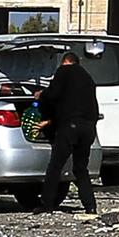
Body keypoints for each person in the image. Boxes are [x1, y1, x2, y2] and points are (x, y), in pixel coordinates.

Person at [41, 51, 105, 216]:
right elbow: (73, 102)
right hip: (89, 128)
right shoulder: (88, 78)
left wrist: (42, 96)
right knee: (80, 168)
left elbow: (54, 95)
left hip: (70, 127)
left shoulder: (64, 71)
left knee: (55, 166)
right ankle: (90, 206)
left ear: (65, 62)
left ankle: (47, 204)